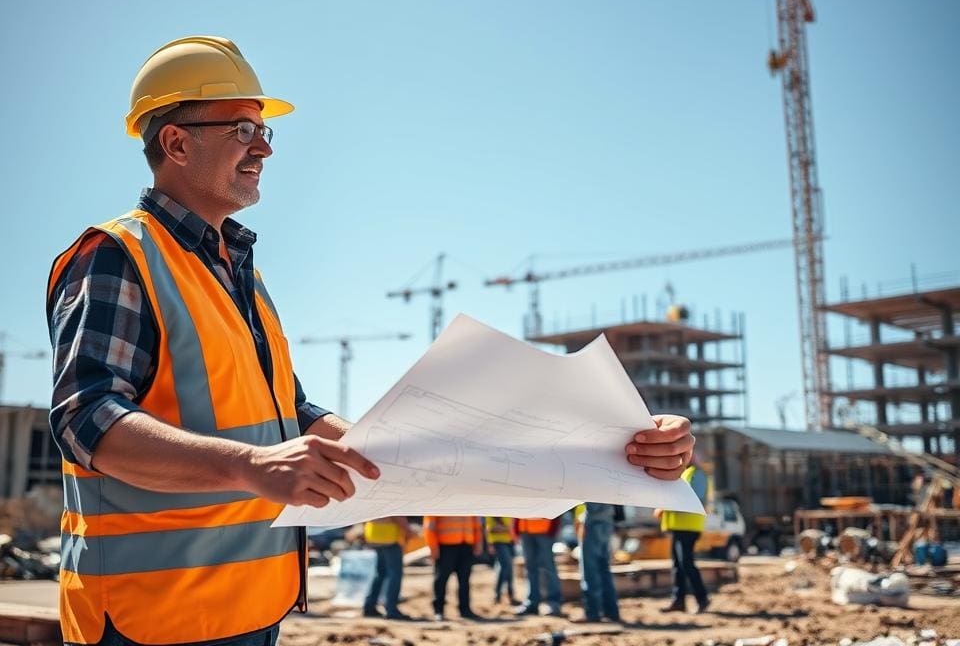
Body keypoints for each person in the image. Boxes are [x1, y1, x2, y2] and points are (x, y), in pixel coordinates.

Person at [47, 34, 698, 646]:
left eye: (265, 130)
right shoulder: (119, 256)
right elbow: (86, 419)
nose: (264, 148)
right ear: (176, 143)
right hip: (148, 617)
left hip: (251, 608)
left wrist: (609, 447)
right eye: (242, 128)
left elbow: (290, 414)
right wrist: (252, 466)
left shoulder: (238, 273)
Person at [656, 457, 710, 614]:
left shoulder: (696, 474)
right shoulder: (685, 473)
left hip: (689, 527)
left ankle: (702, 598)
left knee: (686, 563)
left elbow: (693, 499)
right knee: (678, 566)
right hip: (679, 527)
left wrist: (666, 505)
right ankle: (678, 600)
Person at [423, 515, 484, 621]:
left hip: (466, 544)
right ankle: (439, 610)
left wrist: (478, 542)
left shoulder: (470, 504)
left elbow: (476, 524)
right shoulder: (436, 505)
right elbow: (430, 526)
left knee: (464, 580)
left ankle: (465, 610)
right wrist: (432, 546)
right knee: (441, 579)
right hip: (445, 545)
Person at [575, 502, 620, 623]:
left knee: (590, 570)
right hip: (606, 521)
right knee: (603, 569)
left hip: (592, 522)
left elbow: (592, 506)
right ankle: (611, 612)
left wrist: (582, 521)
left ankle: (592, 612)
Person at [362, 517, 411, 619]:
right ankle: (391, 609)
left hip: (374, 535)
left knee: (380, 573)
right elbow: (397, 516)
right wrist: (407, 530)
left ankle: (369, 606)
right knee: (394, 574)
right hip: (388, 537)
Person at [515, 516, 563, 616]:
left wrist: (554, 527)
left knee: (548, 568)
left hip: (544, 529)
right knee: (530, 568)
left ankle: (554, 604)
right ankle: (532, 603)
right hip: (525, 529)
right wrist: (516, 526)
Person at [486, 516, 519, 606]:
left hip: (510, 542)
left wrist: (508, 530)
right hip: (498, 542)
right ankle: (500, 594)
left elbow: (512, 526)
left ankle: (507, 595)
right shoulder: (493, 512)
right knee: (506, 567)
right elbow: (491, 529)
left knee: (508, 569)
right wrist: (509, 529)